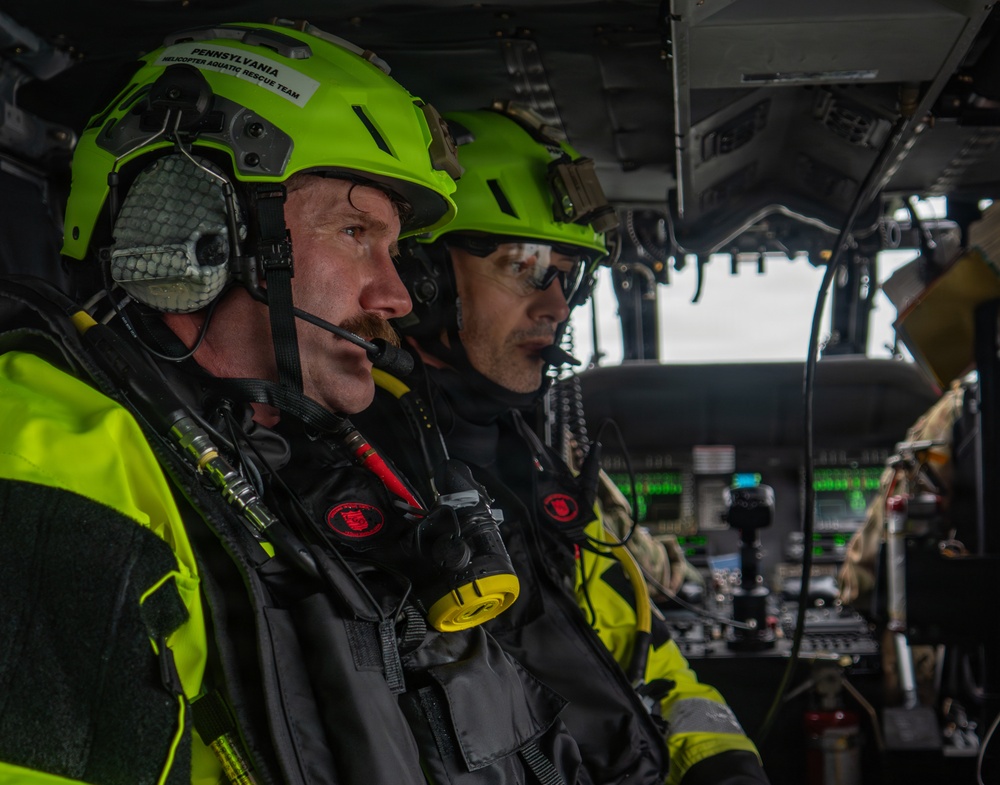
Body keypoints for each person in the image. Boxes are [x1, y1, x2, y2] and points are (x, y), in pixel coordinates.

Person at [0, 23, 603, 785]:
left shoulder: (293, 456)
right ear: (193, 227)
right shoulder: (48, 448)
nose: (394, 295)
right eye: (356, 232)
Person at [353, 103, 771, 785]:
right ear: (420, 279)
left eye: (568, 275)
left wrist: (723, 767)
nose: (556, 306)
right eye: (525, 266)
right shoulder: (357, 480)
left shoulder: (540, 461)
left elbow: (650, 662)